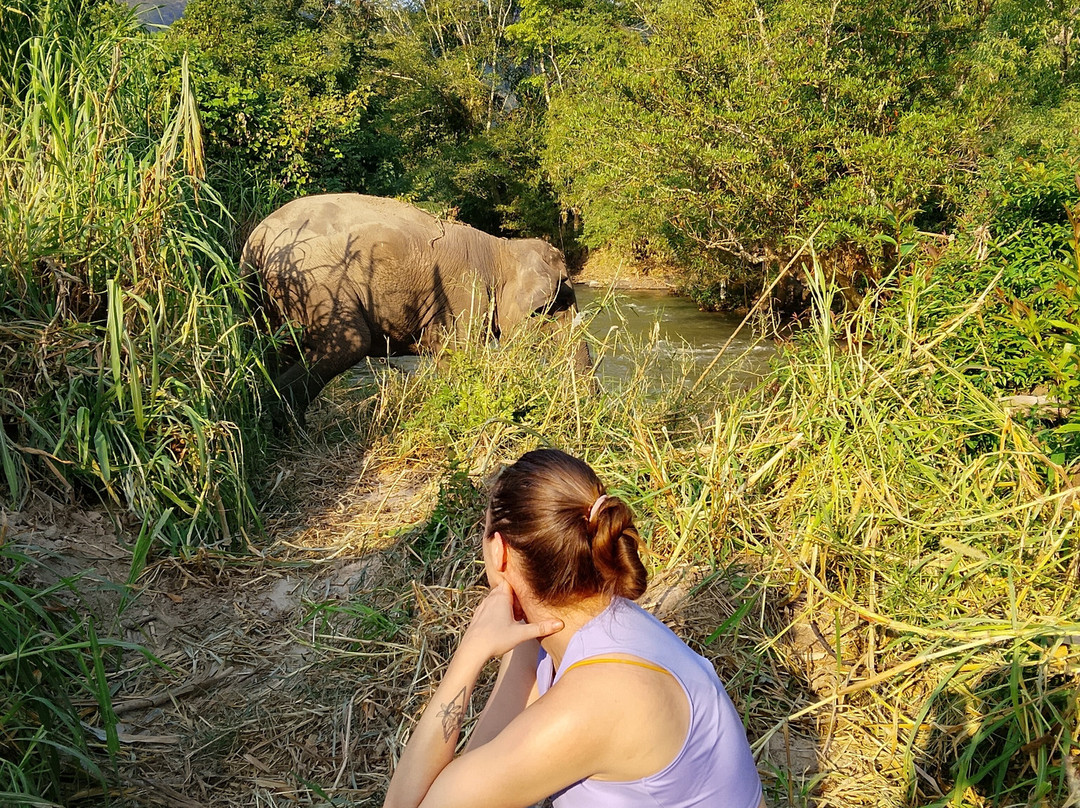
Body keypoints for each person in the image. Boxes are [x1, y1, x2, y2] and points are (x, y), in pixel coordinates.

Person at [383, 448, 765, 808]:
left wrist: (470, 653)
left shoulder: (592, 702)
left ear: (499, 552)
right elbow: (481, 769)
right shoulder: (602, 622)